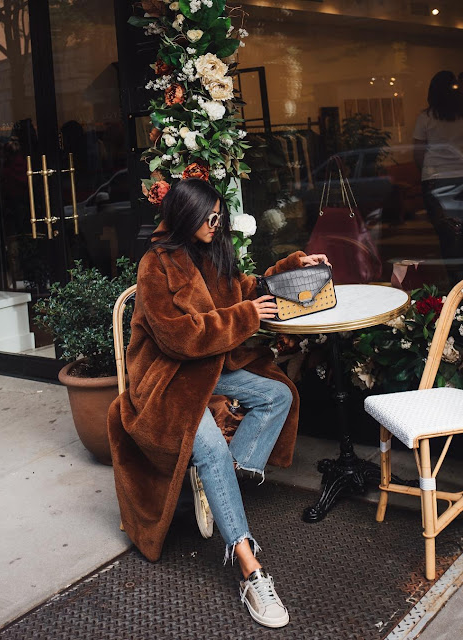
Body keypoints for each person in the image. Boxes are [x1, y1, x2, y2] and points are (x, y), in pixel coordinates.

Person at [107, 178, 329, 628]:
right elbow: (178, 338)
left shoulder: (212, 253)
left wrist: (293, 265)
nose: (216, 223)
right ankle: (251, 570)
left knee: (277, 394)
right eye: (209, 218)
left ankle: (215, 482)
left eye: (219, 216)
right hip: (168, 381)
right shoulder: (156, 264)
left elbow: (249, 288)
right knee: (206, 448)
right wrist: (246, 316)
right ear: (185, 217)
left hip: (210, 370)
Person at [414, 70, 463, 285]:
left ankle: (455, 285)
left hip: (435, 180)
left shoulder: (425, 117)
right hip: (461, 178)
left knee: (447, 235)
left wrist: (424, 173)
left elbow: (418, 152)